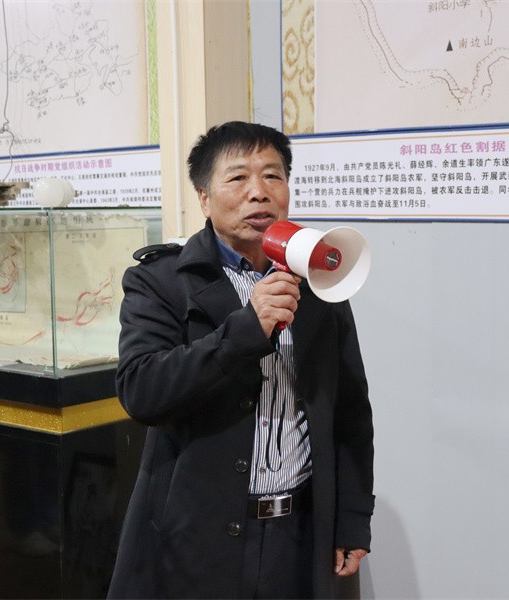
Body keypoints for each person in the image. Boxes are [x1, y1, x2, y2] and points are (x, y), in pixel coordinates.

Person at [107, 121, 375, 599]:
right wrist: (247, 330)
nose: (259, 192)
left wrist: (352, 517)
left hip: (301, 532)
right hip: (198, 536)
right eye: (238, 178)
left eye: (273, 176)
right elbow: (141, 391)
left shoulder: (318, 281)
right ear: (204, 198)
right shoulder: (162, 281)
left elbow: (351, 411)